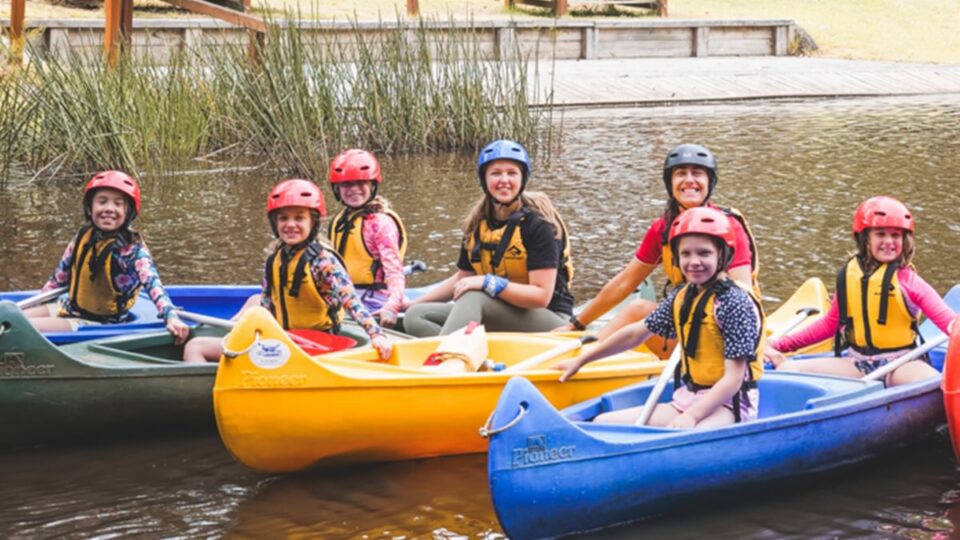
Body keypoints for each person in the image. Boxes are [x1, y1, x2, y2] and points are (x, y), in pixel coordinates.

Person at [556, 207, 765, 429]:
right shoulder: (683, 296)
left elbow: (733, 379)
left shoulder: (734, 303)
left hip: (729, 405)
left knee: (684, 437)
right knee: (603, 422)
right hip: (688, 398)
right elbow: (635, 334)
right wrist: (581, 361)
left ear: (722, 255)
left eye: (704, 253)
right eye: (686, 254)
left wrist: (692, 417)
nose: (694, 262)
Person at [555, 144, 758, 358]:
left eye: (697, 173)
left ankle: (586, 358)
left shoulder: (728, 226)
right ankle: (586, 356)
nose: (689, 180)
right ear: (670, 183)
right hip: (688, 322)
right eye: (681, 174)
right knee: (639, 311)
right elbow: (625, 282)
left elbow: (743, 292)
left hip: (725, 330)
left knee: (638, 310)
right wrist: (577, 323)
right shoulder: (662, 228)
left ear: (710, 182)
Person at [182, 179, 392, 363]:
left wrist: (376, 334)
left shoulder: (323, 261)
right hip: (282, 341)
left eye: (299, 218)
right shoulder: (274, 259)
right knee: (196, 346)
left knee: (195, 347)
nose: (290, 225)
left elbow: (351, 301)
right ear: (275, 223)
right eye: (283, 218)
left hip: (316, 345)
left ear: (313, 222)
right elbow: (266, 307)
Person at [766, 196, 956, 386]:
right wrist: (779, 345)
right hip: (857, 364)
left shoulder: (909, 282)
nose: (889, 241)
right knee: (788, 369)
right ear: (865, 238)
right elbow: (830, 325)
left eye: (895, 235)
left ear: (904, 240)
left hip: (902, 364)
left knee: (933, 381)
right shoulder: (848, 276)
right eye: (880, 234)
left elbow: (950, 324)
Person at [402, 139, 574, 336]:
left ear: (522, 179)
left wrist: (488, 282)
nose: (504, 180)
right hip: (498, 310)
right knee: (416, 315)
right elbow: (463, 277)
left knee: (475, 295)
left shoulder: (539, 226)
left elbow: (541, 296)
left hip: (550, 320)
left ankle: (448, 354)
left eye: (512, 173)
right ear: (484, 179)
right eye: (495, 173)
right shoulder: (477, 224)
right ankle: (469, 349)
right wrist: (411, 304)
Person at [24, 171, 190, 343]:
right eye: (102, 201)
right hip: (68, 308)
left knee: (20, 326)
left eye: (118, 204)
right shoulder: (83, 236)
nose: (109, 209)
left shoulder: (131, 252)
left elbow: (154, 284)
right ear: (90, 207)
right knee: (13, 316)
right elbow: (57, 281)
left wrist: (171, 317)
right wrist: (35, 304)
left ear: (128, 211)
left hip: (96, 323)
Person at [327, 149, 407, 328]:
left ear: (372, 185)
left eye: (361, 182)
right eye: (347, 184)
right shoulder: (339, 221)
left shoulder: (380, 224)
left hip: (375, 300)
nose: (354, 189)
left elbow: (394, 273)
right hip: (347, 297)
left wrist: (392, 306)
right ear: (337, 189)